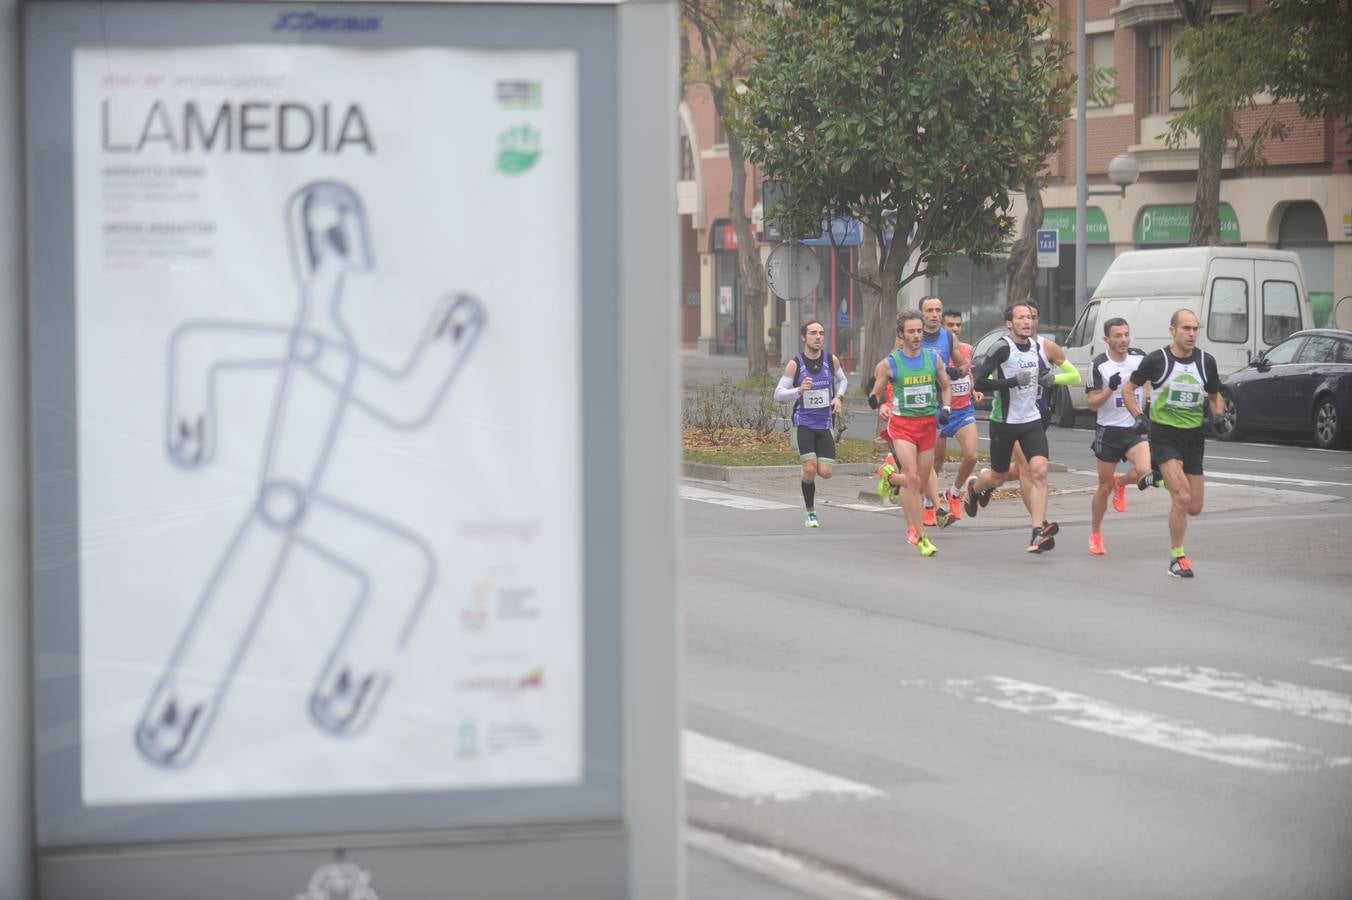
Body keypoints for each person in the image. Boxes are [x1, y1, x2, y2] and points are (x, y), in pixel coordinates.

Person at [1123, 309, 1223, 578]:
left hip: (1193, 437)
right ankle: (1177, 558)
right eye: (1186, 328)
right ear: (1173, 330)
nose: (1191, 334)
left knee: (1195, 507)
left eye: (1195, 329)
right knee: (1182, 496)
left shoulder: (1206, 362)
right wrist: (1139, 416)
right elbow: (1128, 389)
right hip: (1164, 434)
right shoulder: (1157, 360)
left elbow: (1215, 395)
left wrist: (1220, 415)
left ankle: (1154, 479)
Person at [964, 303, 1068, 553]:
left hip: (1030, 420)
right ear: (1009, 323)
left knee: (1039, 470)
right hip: (1004, 422)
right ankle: (974, 489)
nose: (1026, 322)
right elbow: (978, 381)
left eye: (1030, 318)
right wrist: (1011, 382)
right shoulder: (1002, 347)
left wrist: (1047, 378)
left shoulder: (1036, 347)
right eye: (1020, 318)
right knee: (998, 477)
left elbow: (1044, 373)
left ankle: (1037, 532)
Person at [868, 311, 952, 557]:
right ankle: (922, 536)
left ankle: (890, 477)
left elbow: (946, 386)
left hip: (927, 426)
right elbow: (876, 392)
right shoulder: (890, 363)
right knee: (914, 479)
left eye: (919, 331)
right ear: (901, 335)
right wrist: (878, 402)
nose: (917, 336)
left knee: (920, 483)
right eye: (911, 332)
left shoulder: (933, 358)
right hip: (903, 426)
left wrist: (946, 407)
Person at [1086, 317, 1152, 555]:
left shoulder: (1140, 358)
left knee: (1147, 470)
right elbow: (1092, 404)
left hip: (1133, 429)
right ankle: (1095, 533)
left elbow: (1149, 382)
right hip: (1108, 430)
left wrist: (1148, 402)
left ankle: (1122, 483)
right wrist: (1109, 389)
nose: (1123, 340)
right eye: (1118, 336)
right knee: (1103, 487)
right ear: (1107, 339)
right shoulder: (1099, 365)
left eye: (1126, 334)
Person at [774, 320, 847, 527]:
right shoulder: (795, 364)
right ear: (804, 337)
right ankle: (811, 513)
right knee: (810, 469)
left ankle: (809, 469)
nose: (818, 337)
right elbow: (778, 394)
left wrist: (838, 398)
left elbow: (843, 380)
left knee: (825, 473)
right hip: (804, 422)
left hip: (825, 424)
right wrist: (798, 391)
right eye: (813, 333)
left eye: (821, 333)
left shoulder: (831, 360)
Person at [935, 309, 982, 521]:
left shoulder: (966, 349)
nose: (955, 329)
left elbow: (968, 372)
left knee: (972, 455)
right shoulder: (936, 351)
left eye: (958, 325)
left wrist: (973, 390)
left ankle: (954, 493)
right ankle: (929, 503)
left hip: (963, 410)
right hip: (940, 411)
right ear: (942, 328)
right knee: (936, 462)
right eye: (950, 325)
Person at [917, 296, 955, 527]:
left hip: (936, 404)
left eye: (938, 310)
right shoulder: (910, 336)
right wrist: (884, 402)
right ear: (921, 313)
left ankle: (932, 505)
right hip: (910, 409)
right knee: (922, 462)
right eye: (929, 310)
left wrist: (960, 372)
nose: (934, 314)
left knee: (934, 459)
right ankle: (932, 506)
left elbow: (960, 364)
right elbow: (888, 369)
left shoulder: (948, 337)